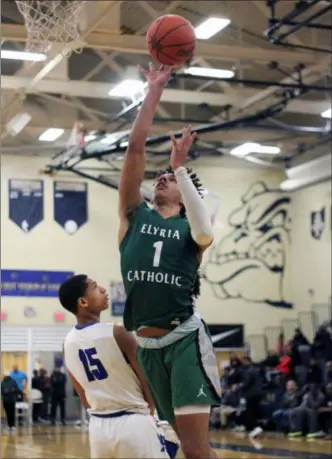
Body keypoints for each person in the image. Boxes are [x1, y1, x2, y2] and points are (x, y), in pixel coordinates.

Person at [118, 62, 221, 459]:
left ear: (186, 195)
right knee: (184, 447)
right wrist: (153, 91)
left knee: (195, 449)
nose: (162, 177)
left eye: (172, 178)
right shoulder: (133, 216)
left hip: (184, 343)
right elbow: (135, 150)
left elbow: (205, 233)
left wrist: (181, 165)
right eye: (161, 175)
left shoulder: (192, 232)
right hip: (148, 347)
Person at [59, 274, 171, 459]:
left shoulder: (67, 343)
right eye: (95, 286)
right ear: (83, 302)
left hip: (98, 428)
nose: (103, 289)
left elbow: (83, 396)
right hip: (134, 423)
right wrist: (152, 413)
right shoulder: (118, 332)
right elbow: (147, 380)